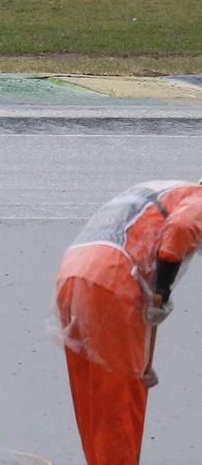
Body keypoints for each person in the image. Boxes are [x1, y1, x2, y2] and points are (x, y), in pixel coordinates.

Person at [54, 180, 202, 465]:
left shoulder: (165, 190)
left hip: (74, 274)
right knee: (119, 401)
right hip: (112, 284)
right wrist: (162, 292)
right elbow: (180, 231)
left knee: (93, 400)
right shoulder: (198, 199)